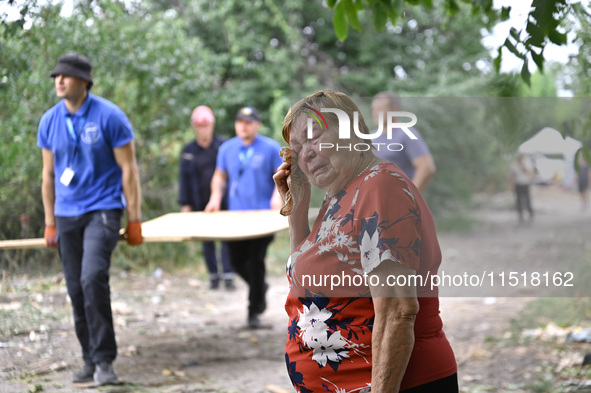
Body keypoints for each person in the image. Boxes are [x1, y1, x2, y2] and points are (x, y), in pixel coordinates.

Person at [274, 90, 457, 392]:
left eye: (314, 136)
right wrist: (297, 207)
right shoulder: (341, 194)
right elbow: (305, 282)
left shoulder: (379, 187)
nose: (304, 153)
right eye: (296, 147)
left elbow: (398, 311)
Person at [38, 53, 142, 386]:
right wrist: (49, 220)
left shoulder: (109, 116)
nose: (59, 80)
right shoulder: (49, 121)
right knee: (75, 288)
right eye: (56, 75)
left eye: (66, 76)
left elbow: (129, 170)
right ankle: (88, 360)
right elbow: (48, 174)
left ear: (84, 81)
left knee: (92, 277)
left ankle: (104, 362)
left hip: (104, 209)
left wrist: (135, 218)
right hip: (66, 214)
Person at [205, 107, 283, 328]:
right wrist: (214, 198)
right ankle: (259, 287)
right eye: (240, 122)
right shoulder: (227, 148)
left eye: (248, 122)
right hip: (235, 217)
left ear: (257, 125)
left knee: (256, 260)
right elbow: (220, 176)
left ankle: (253, 312)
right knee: (235, 261)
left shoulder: (269, 148)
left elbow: (282, 176)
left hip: (262, 217)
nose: (243, 126)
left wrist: (277, 196)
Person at [178, 105, 235, 290]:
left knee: (227, 238)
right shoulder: (188, 151)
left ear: (212, 125)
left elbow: (232, 173)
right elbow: (184, 179)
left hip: (224, 201)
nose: (203, 129)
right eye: (199, 126)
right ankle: (213, 276)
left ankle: (228, 275)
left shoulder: (222, 146)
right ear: (194, 127)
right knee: (207, 240)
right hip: (199, 201)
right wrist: (185, 204)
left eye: (206, 125)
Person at [371, 91, 436, 192]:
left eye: (380, 109)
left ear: (395, 110)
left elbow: (426, 167)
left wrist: (410, 196)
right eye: (374, 109)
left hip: (396, 203)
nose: (375, 113)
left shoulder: (406, 134)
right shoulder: (370, 137)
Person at [508, 153, 535, 223]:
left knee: (528, 199)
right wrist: (511, 187)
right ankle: (520, 214)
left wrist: (523, 165)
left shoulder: (527, 163)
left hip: (525, 184)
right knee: (518, 200)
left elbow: (530, 173)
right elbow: (510, 177)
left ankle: (530, 213)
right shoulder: (513, 165)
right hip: (518, 184)